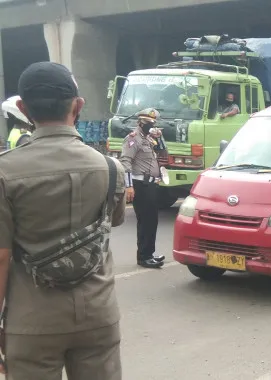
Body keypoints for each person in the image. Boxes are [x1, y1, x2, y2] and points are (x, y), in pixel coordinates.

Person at [0, 61, 126, 379]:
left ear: (23, 108)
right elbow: (115, 220)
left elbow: (1, 258)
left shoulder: (5, 172)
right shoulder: (111, 168)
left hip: (32, 321)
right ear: (78, 105)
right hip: (98, 314)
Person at [120, 108, 166, 269]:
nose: (151, 126)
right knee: (145, 221)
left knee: (152, 220)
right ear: (140, 122)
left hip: (151, 184)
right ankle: (144, 256)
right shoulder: (133, 139)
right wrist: (129, 186)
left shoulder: (148, 139)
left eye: (153, 123)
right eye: (148, 123)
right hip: (140, 184)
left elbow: (162, 152)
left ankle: (149, 254)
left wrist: (159, 138)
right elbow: (125, 162)